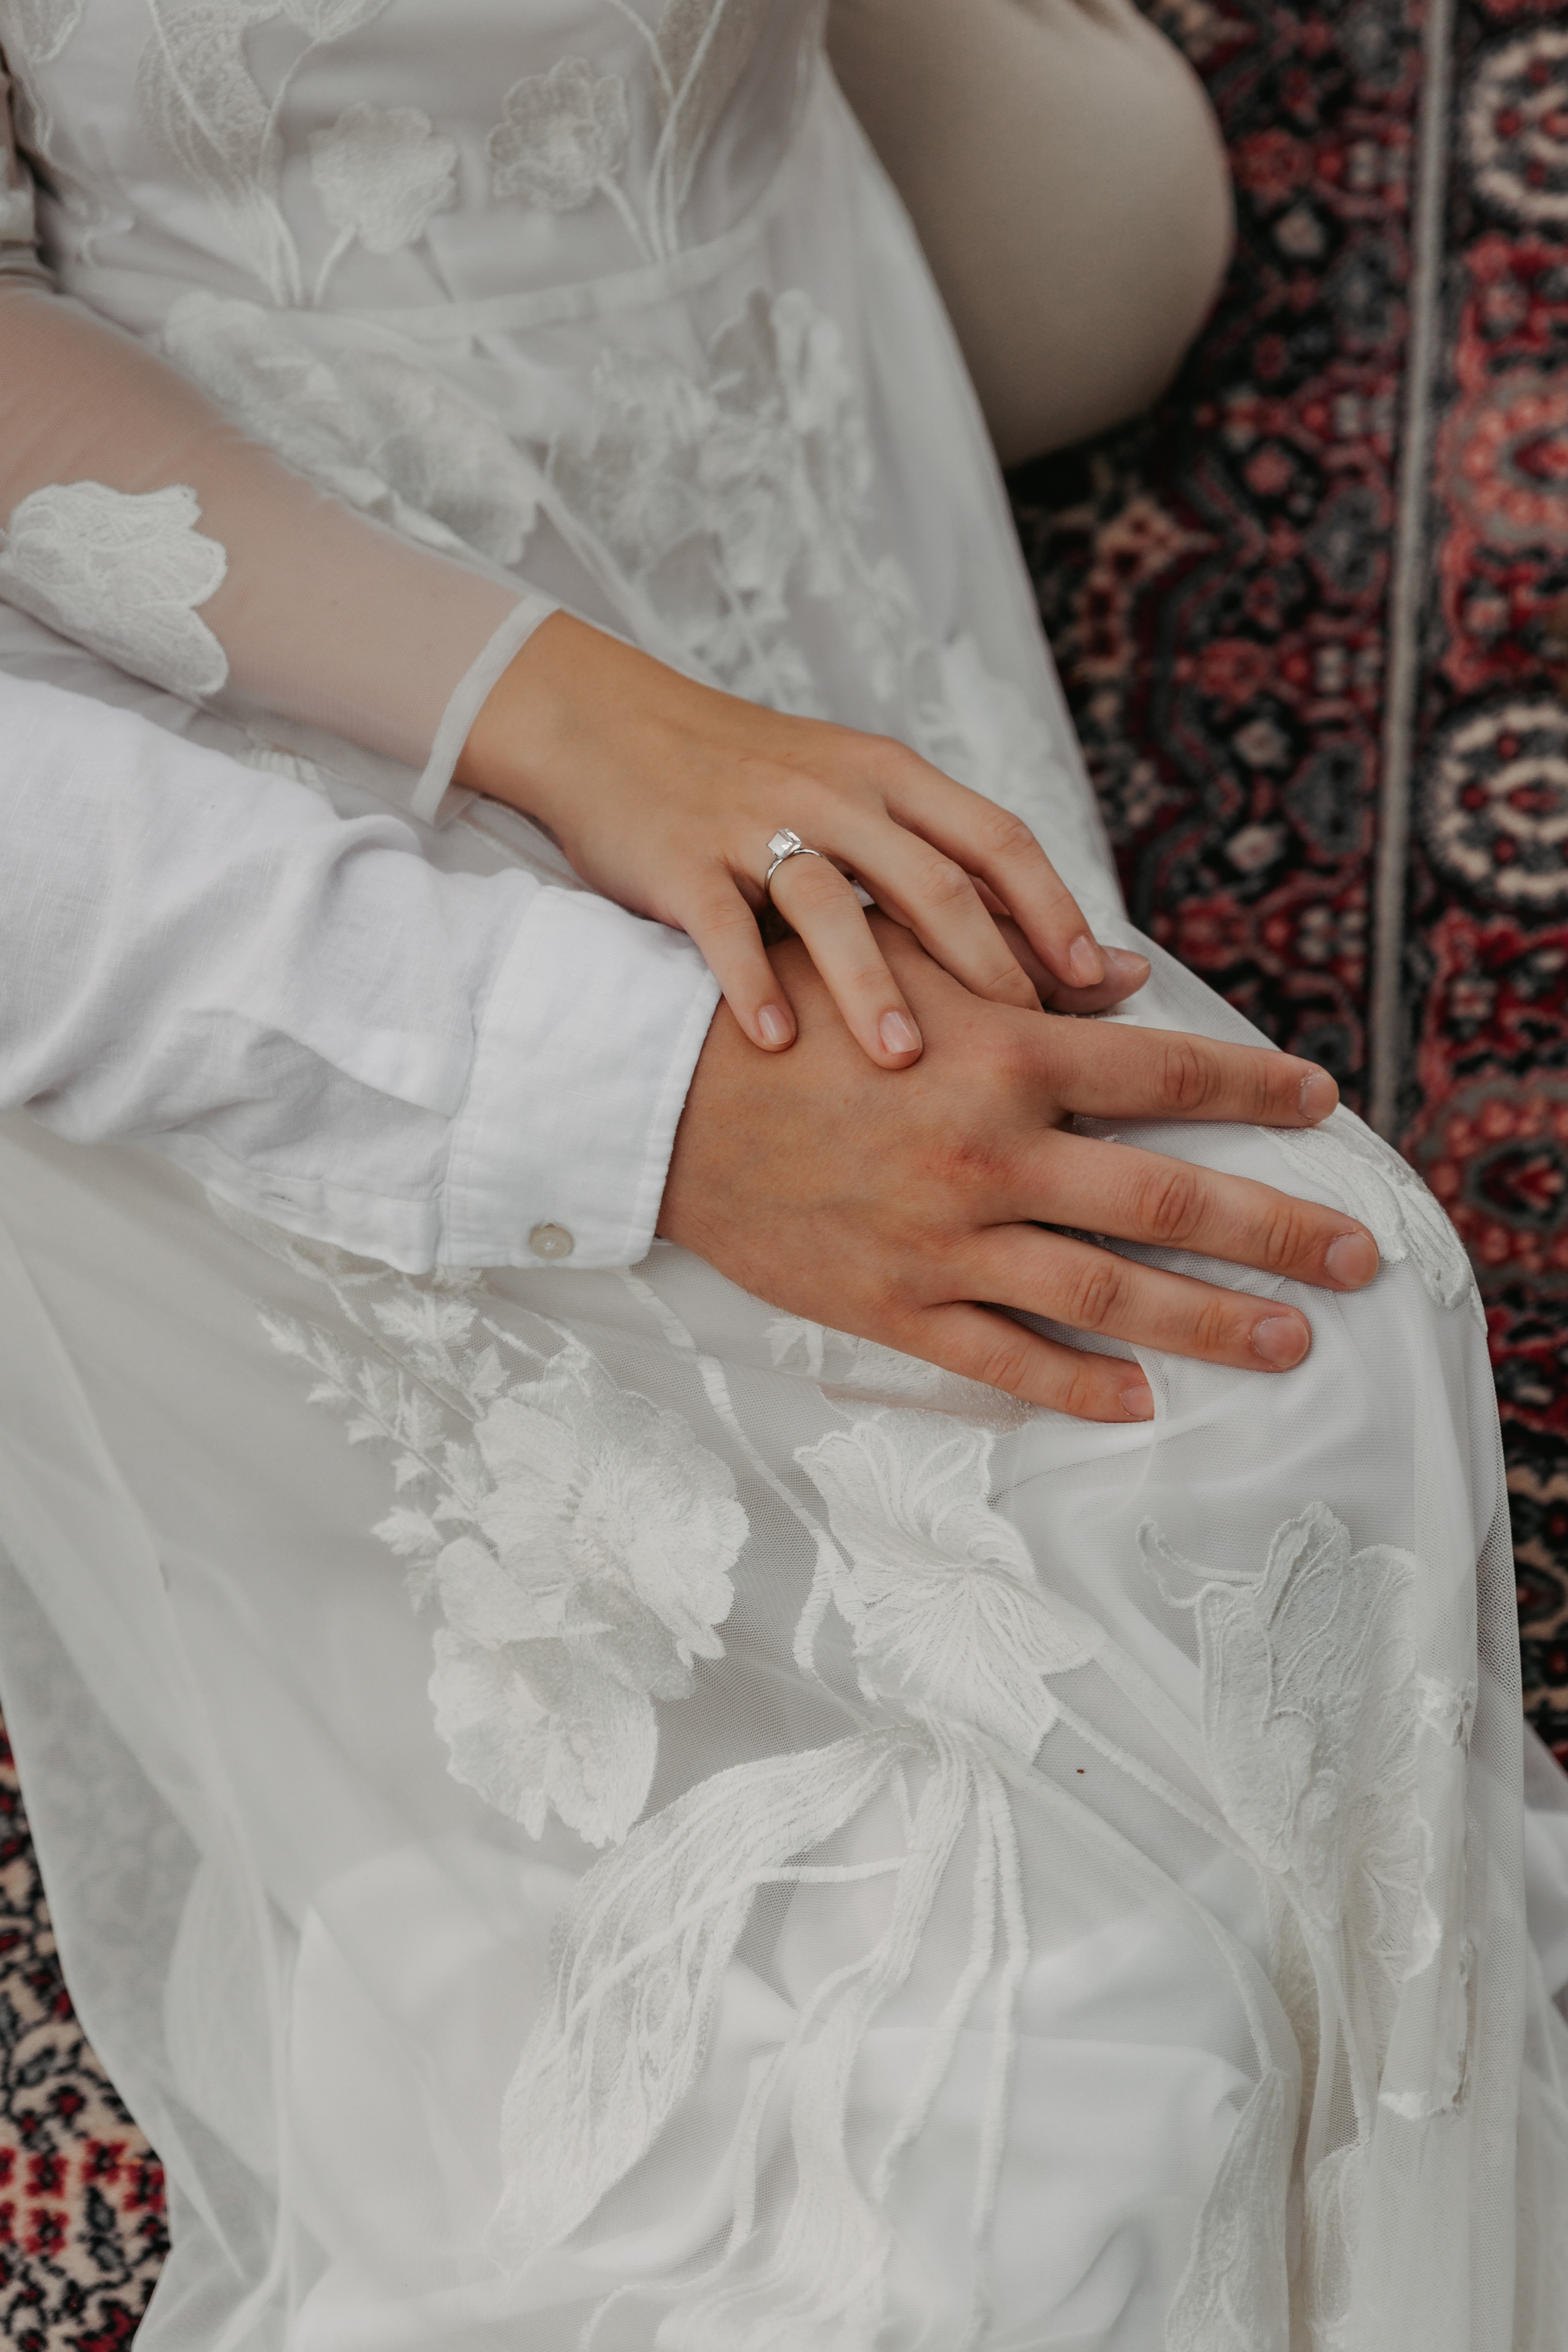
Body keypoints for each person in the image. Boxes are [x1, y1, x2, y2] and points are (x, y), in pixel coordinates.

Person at [0, 3, 1563, 2348]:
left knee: (1295, 1394)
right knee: (1258, 1435)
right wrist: (629, 1087)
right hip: (198, 696)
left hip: (757, 330)